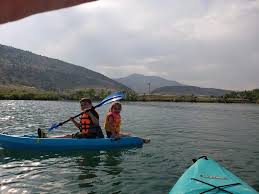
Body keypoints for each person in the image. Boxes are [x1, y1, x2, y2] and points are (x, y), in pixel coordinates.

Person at [38, 98, 104, 138]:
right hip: (85, 135)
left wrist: (89, 113)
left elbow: (96, 123)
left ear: (90, 105)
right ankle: (48, 137)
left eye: (85, 104)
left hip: (92, 136)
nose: (83, 106)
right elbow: (80, 127)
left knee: (68, 136)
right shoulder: (84, 114)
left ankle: (47, 138)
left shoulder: (93, 112)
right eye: (81, 105)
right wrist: (73, 121)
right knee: (68, 135)